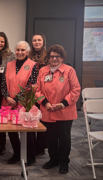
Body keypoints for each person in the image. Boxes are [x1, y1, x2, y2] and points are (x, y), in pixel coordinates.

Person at [36, 45, 80, 174]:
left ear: (62, 57)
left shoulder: (69, 70)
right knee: (51, 138)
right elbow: (37, 90)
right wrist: (45, 102)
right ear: (48, 58)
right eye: (52, 56)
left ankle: (64, 162)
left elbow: (76, 90)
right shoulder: (43, 71)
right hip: (48, 110)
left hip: (65, 111)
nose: (54, 59)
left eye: (57, 56)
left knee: (64, 138)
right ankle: (53, 159)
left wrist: (63, 104)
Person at [1, 41, 38, 166]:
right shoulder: (9, 64)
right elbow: (3, 84)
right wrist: (6, 97)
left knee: (27, 130)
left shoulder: (32, 65)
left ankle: (30, 156)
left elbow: (31, 85)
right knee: (11, 130)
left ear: (27, 52)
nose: (20, 52)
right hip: (8, 103)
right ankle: (16, 153)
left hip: (24, 104)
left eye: (23, 50)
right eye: (18, 50)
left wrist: (16, 99)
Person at [28, 33, 48, 156]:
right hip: (30, 91)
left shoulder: (48, 56)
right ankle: (32, 144)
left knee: (42, 119)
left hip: (43, 91)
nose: (36, 42)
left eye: (39, 40)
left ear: (43, 41)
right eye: (34, 40)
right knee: (32, 117)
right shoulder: (29, 56)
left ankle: (41, 147)